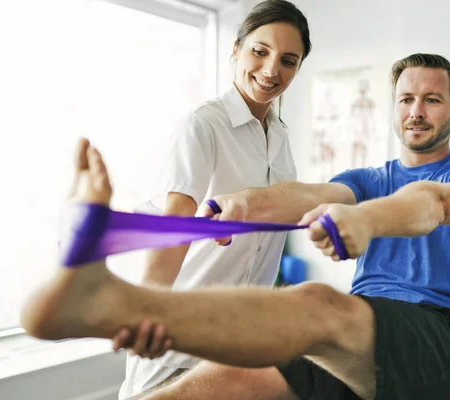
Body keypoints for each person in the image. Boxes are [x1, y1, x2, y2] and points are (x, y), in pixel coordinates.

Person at [21, 53, 450, 400]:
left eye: (431, 100)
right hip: (359, 341)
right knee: (220, 380)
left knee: (314, 302)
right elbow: (306, 194)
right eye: (406, 99)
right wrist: (241, 204)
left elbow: (438, 203)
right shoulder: (369, 178)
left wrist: (366, 219)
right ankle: (108, 301)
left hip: (443, 345)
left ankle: (112, 304)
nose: (416, 111)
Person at [106, 1, 312, 398]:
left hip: (242, 337)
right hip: (182, 331)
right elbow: (175, 223)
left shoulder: (281, 138)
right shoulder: (204, 124)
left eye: (288, 60)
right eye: (260, 51)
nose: (272, 70)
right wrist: (146, 311)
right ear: (235, 49)